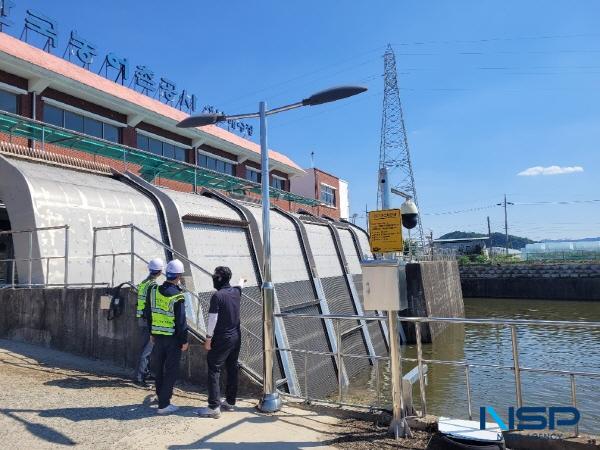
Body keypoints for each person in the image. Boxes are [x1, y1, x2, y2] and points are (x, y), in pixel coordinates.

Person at [196, 267, 245, 418]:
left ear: (218, 278)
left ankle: (213, 407)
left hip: (222, 338)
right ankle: (230, 402)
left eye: (214, 276)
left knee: (214, 369)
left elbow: (213, 319)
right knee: (232, 367)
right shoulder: (236, 292)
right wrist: (242, 280)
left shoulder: (217, 296)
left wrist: (208, 338)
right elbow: (240, 285)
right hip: (236, 336)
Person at [146, 259, 189, 414]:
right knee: (171, 371)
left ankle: (160, 397)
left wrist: (151, 332)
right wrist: (184, 341)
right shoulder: (178, 296)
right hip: (172, 339)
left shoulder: (154, 291)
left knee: (159, 369)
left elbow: (149, 313)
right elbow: (181, 322)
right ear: (178, 276)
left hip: (157, 337)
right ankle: (164, 405)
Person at [134, 258, 164, 387]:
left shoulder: (144, 283)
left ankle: (144, 372)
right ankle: (139, 378)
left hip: (142, 318)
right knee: (147, 350)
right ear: (160, 271)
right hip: (148, 320)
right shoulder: (153, 286)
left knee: (144, 348)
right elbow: (152, 306)